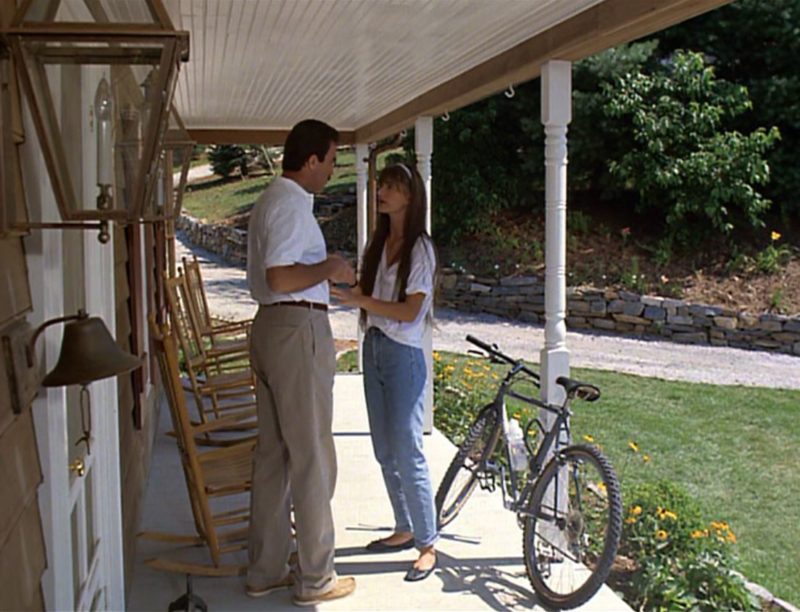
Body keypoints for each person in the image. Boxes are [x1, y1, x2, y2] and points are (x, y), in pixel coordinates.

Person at [245, 119, 356, 605]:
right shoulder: (290, 203)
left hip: (270, 327)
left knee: (273, 456)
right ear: (311, 160)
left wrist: (324, 279)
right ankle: (316, 577)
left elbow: (282, 276)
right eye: (331, 161)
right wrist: (329, 267)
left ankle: (264, 569)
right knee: (311, 455)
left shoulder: (271, 198)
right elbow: (282, 275)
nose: (333, 171)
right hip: (295, 330)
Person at [331, 162, 439, 582]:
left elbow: (411, 313)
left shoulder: (420, 249)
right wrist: (341, 291)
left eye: (391, 186)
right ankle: (404, 525)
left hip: (402, 355)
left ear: (410, 197)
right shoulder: (378, 243)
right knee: (383, 448)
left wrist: (362, 302)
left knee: (408, 448)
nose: (382, 192)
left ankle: (428, 543)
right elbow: (367, 297)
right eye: (382, 185)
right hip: (375, 347)